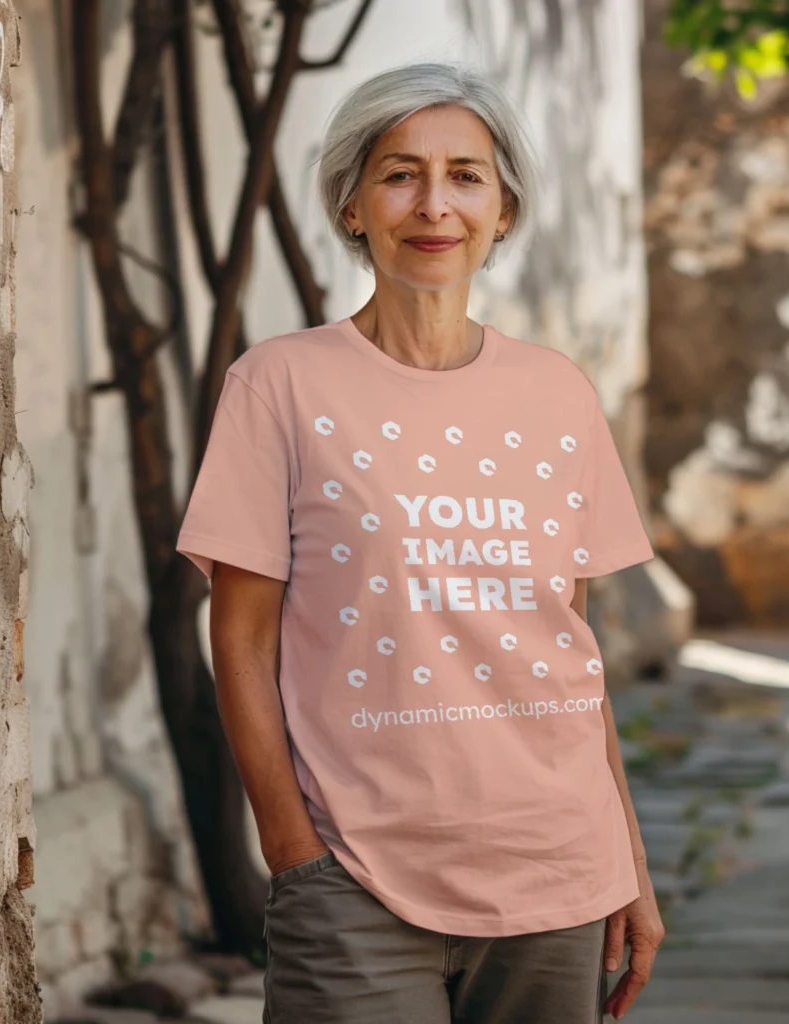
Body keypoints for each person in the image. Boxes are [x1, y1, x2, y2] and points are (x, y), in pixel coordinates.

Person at [177, 61, 663, 1024]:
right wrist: (292, 849)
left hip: (557, 869)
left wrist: (631, 866)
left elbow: (567, 648)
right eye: (400, 173)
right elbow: (239, 637)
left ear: (504, 210)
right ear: (353, 204)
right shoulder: (278, 386)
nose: (433, 204)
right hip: (354, 876)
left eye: (466, 176)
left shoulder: (557, 393)